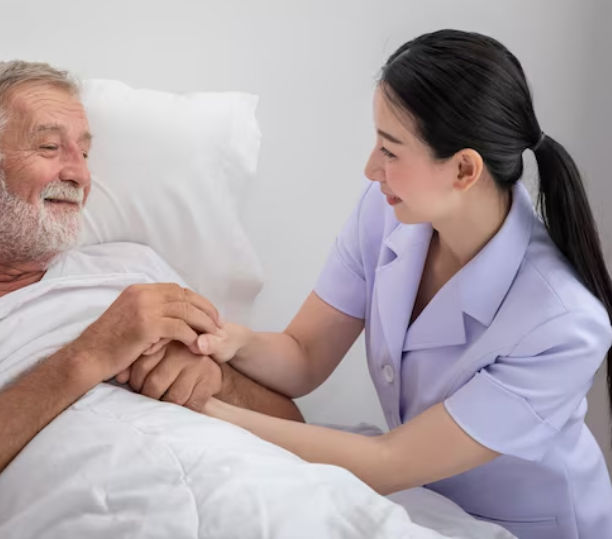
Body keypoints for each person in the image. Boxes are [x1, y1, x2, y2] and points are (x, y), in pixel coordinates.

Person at [0, 61, 302, 539]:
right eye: (49, 147)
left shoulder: (134, 270)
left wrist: (214, 381)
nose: (78, 174)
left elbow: (294, 426)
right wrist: (90, 354)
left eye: (84, 153)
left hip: (261, 502)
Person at [193, 30, 612, 539]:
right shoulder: (387, 211)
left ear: (464, 169)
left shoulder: (564, 325)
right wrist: (232, 342)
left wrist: (204, 409)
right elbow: (304, 355)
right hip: (428, 501)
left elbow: (388, 461)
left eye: (390, 151)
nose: (371, 169)